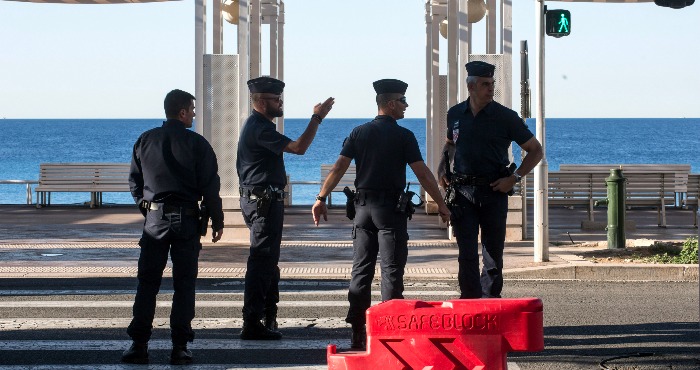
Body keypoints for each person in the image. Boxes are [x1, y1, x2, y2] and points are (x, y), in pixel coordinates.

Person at [312, 79, 450, 350]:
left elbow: (339, 168)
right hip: (390, 212)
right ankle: (389, 330)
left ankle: (357, 331)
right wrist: (442, 205)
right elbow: (422, 174)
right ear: (390, 104)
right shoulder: (404, 136)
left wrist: (320, 198)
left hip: (363, 210)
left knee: (361, 270)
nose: (406, 106)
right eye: (403, 101)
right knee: (391, 271)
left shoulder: (358, 133)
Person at [122, 89, 224, 365]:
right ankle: (179, 347)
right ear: (181, 112)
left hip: (154, 221)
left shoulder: (145, 140)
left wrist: (148, 209)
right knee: (184, 285)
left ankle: (139, 344)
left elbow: (134, 183)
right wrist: (217, 219)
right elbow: (210, 187)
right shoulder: (198, 144)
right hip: (188, 221)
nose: (193, 113)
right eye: (191, 109)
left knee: (147, 284)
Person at [237, 76, 334, 340]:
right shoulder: (259, 128)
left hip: (261, 201)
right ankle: (252, 322)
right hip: (263, 203)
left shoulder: (259, 126)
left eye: (280, 98)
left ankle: (267, 315)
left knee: (268, 261)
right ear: (260, 101)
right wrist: (317, 118)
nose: (280, 103)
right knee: (261, 261)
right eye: (276, 99)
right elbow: (299, 148)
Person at [440, 61, 543, 299]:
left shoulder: (506, 117)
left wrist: (514, 178)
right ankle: (469, 302)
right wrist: (441, 168)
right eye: (486, 84)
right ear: (471, 87)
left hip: (494, 192)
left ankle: (490, 303)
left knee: (493, 254)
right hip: (462, 193)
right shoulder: (455, 114)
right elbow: (450, 144)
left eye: (492, 84)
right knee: (466, 253)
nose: (491, 89)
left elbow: (535, 150)